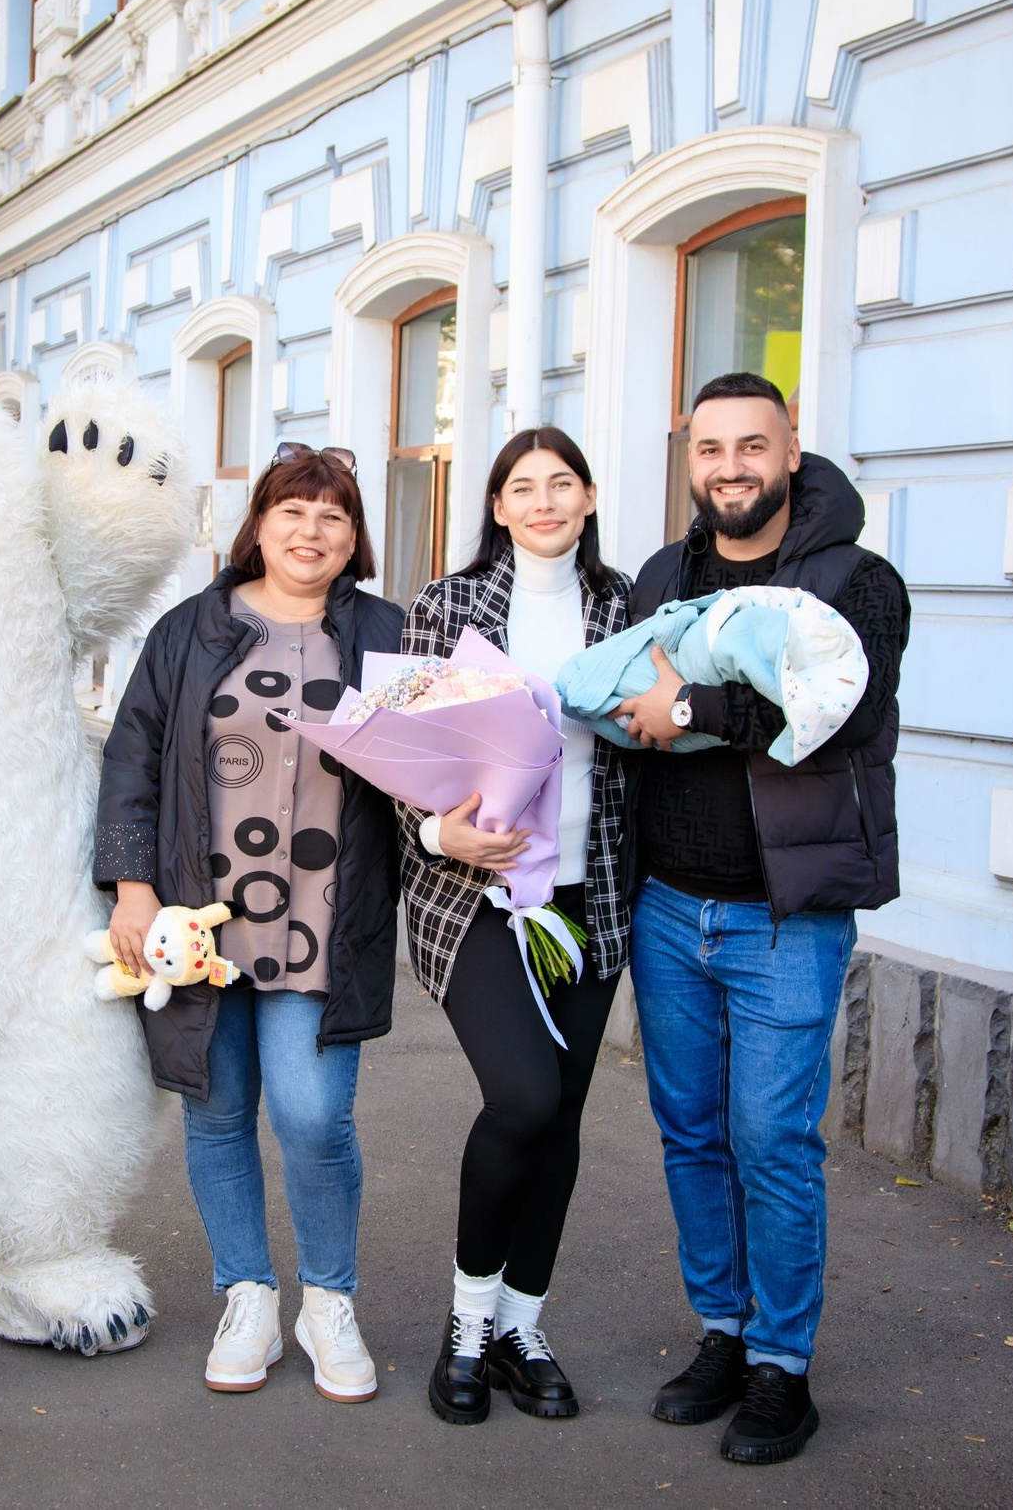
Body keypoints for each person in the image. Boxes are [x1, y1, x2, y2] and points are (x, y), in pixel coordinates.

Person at [611, 371, 909, 1467]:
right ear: (690, 461)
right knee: (691, 1133)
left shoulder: (857, 580)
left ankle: (784, 1364)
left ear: (790, 453)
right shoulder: (664, 575)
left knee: (771, 1140)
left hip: (785, 916)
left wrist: (691, 706)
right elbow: (623, 706)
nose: (729, 467)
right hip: (667, 908)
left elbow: (842, 712)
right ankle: (724, 1333)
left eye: (751, 446)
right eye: (710, 449)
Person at [95, 443, 403, 1406]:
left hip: (325, 921)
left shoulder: (385, 632)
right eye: (292, 512)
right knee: (219, 1110)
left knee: (313, 1115)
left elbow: (431, 756)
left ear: (354, 537)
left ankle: (329, 1301)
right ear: (259, 525)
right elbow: (133, 756)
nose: (311, 531)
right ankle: (248, 1295)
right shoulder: (192, 629)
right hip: (201, 923)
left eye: (333, 516)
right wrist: (133, 888)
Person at [397, 427, 635, 1428]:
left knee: (560, 1119)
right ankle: (465, 1326)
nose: (543, 501)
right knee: (524, 1097)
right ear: (497, 506)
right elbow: (398, 748)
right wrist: (436, 830)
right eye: (523, 487)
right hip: (478, 898)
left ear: (587, 497)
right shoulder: (447, 605)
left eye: (561, 483)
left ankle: (518, 1330)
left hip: (591, 898)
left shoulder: (623, 607)